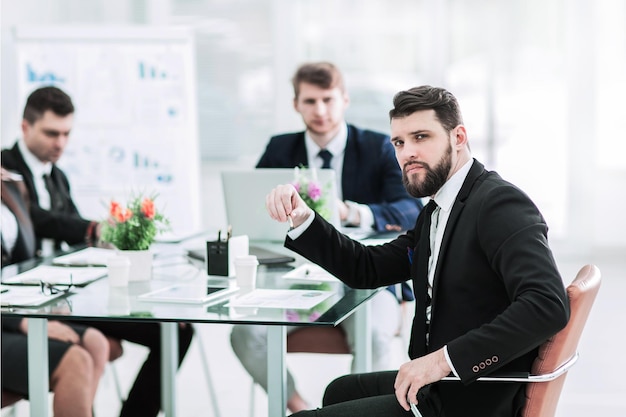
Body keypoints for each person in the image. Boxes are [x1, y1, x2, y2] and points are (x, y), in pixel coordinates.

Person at [264, 85, 570, 417]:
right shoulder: (439, 209)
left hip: (470, 395)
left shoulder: (499, 204)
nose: (407, 152)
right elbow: (366, 267)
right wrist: (304, 218)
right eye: (399, 142)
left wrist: (443, 361)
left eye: (421, 137)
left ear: (458, 137)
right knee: (339, 390)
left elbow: (547, 305)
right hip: (441, 384)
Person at [231, 62, 423, 413]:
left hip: (368, 277)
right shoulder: (279, 149)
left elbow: (411, 211)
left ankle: (360, 413)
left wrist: (350, 211)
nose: (320, 111)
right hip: (292, 279)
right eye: (310, 101)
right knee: (246, 334)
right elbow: (253, 209)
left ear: (344, 100)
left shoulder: (380, 147)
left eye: (328, 100)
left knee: (377, 333)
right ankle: (300, 408)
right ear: (296, 105)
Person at [1, 86, 194, 417]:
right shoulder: (7, 172)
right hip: (30, 298)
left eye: (66, 134)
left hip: (64, 291)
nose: (60, 143)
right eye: (51, 133)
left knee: (175, 327)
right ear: (25, 128)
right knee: (92, 346)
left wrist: (105, 237)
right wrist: (92, 229)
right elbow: (40, 220)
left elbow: (72, 226)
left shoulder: (57, 176)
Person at [1, 167, 111, 417]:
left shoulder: (10, 186)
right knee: (76, 362)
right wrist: (21, 322)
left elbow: (20, 262)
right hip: (8, 319)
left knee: (95, 343)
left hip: (10, 311)